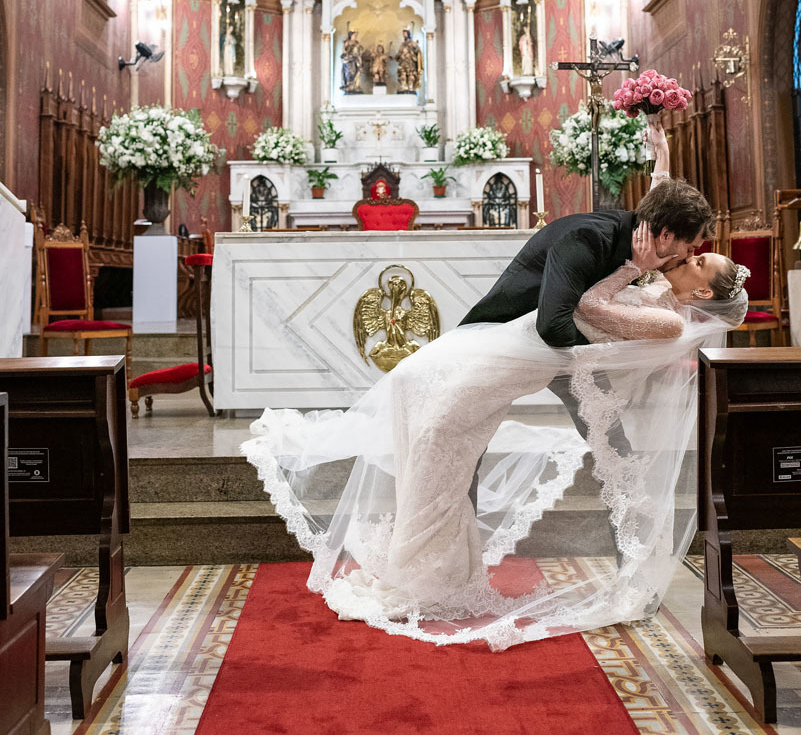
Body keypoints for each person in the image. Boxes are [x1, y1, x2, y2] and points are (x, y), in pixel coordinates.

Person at [242, 123, 749, 649]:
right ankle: (443, 574)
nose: (690, 255)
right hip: (530, 346)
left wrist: (641, 240)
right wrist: (640, 239)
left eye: (697, 256)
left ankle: (635, 572)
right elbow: (559, 323)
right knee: (454, 443)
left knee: (614, 455)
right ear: (663, 238)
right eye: (690, 247)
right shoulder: (601, 243)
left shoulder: (653, 267)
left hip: (564, 359)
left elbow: (634, 262)